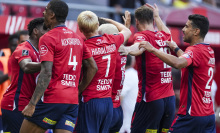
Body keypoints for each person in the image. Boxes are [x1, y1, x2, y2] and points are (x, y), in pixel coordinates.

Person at [20, 0, 97, 133]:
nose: (43, 12)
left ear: (52, 15)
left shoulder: (48, 38)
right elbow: (93, 67)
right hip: (71, 101)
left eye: (46, 9)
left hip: (52, 99)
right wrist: (78, 90)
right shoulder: (77, 38)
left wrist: (32, 104)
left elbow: (46, 72)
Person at [139, 14, 216, 133]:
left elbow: (178, 63)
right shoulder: (208, 50)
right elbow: (188, 61)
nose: (183, 30)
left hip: (191, 115)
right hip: (208, 115)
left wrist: (153, 49)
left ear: (196, 31)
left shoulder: (195, 50)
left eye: (187, 26)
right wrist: (175, 48)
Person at [119, 4, 175, 133]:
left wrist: (126, 49)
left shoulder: (141, 35)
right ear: (154, 20)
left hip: (151, 98)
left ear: (137, 21)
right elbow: (166, 30)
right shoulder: (165, 35)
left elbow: (138, 46)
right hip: (170, 99)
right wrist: (157, 16)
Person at [75, 11, 131, 133]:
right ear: (96, 25)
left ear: (80, 29)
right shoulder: (111, 41)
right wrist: (110, 20)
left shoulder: (84, 47)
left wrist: (78, 91)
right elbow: (127, 31)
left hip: (90, 100)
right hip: (107, 102)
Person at [1, 17, 47, 133]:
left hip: (29, 104)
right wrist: (48, 65)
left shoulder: (40, 51)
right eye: (45, 29)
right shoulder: (23, 48)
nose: (48, 32)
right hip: (15, 104)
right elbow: (26, 67)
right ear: (36, 31)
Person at [98, 11, 131, 133]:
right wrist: (125, 27)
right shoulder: (122, 52)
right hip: (117, 111)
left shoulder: (106, 53)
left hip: (106, 109)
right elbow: (122, 40)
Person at [119, 54, 138, 133]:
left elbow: (120, 97)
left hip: (125, 122)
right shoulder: (134, 73)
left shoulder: (127, 75)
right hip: (131, 118)